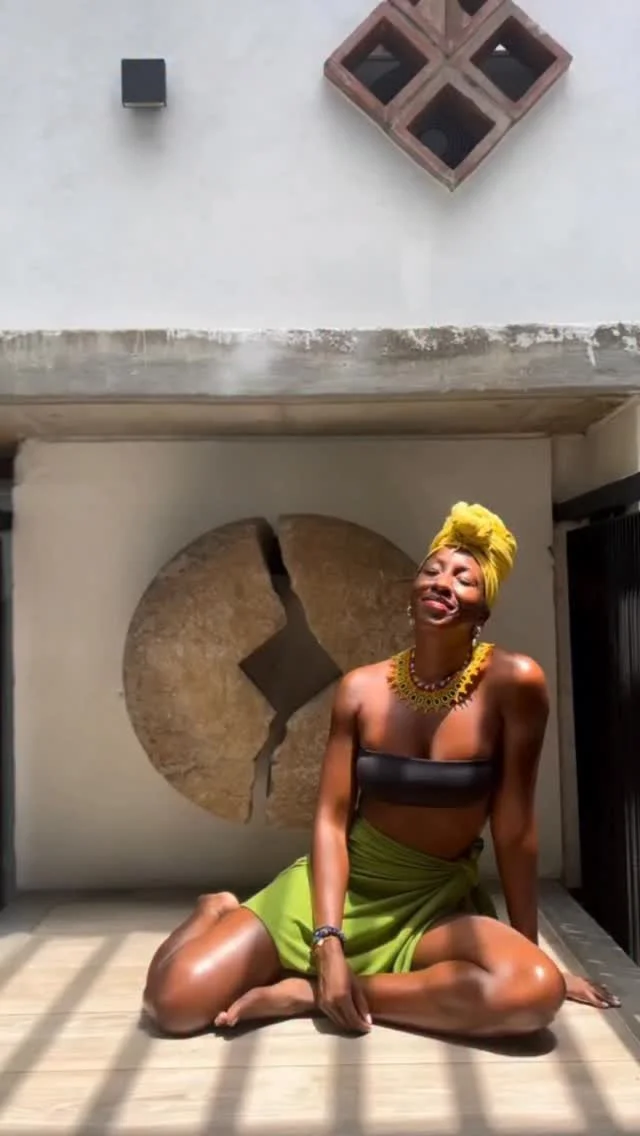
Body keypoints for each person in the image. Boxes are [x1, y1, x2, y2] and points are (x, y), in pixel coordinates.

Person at [143, 502, 619, 1039]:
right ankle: (216, 911)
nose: (443, 583)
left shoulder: (515, 684)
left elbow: (514, 828)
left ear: (483, 609)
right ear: (413, 592)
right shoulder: (362, 689)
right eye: (432, 570)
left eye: (464, 579)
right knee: (172, 1004)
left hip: (431, 906)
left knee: (533, 991)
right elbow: (331, 822)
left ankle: (314, 994)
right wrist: (328, 941)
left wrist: (527, 949)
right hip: (343, 890)